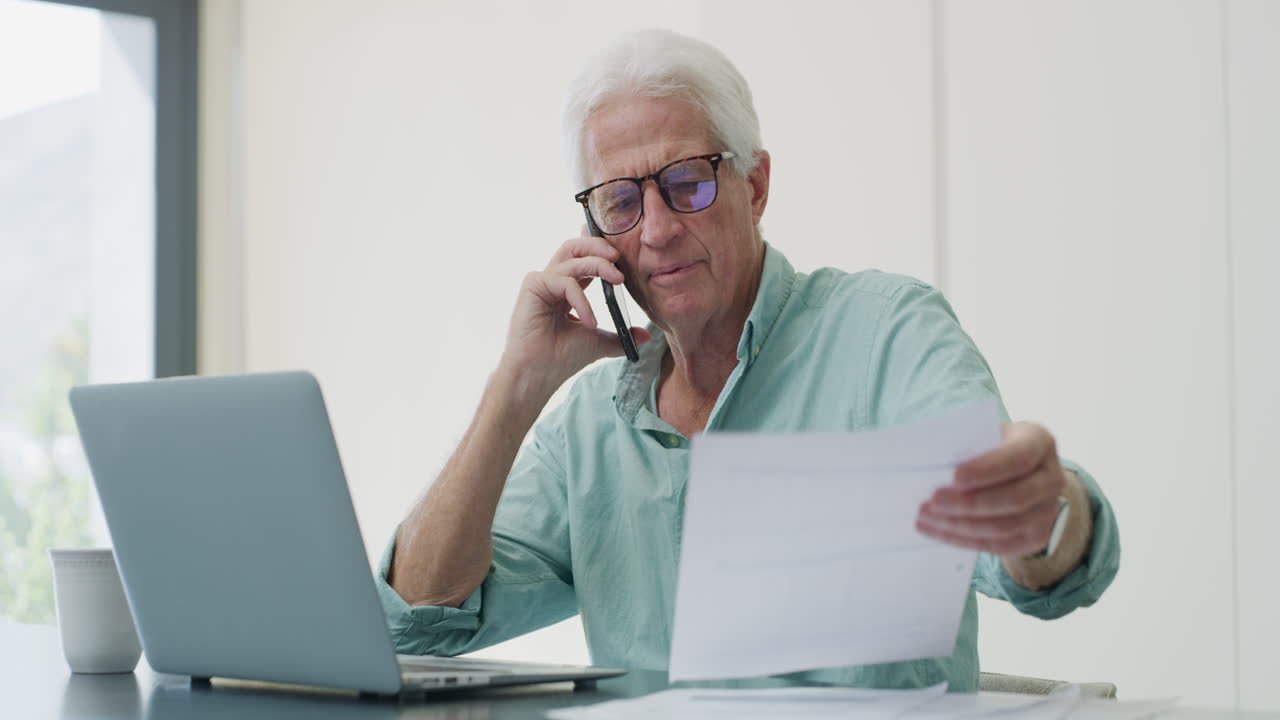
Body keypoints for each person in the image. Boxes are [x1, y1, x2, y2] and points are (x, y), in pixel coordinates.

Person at [378, 29, 1119, 690]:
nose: (659, 230)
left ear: (755, 186)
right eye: (620, 201)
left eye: (688, 183)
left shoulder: (883, 335)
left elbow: (1028, 556)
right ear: (594, 228)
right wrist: (516, 385)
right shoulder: (588, 425)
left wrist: (1046, 511)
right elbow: (421, 622)